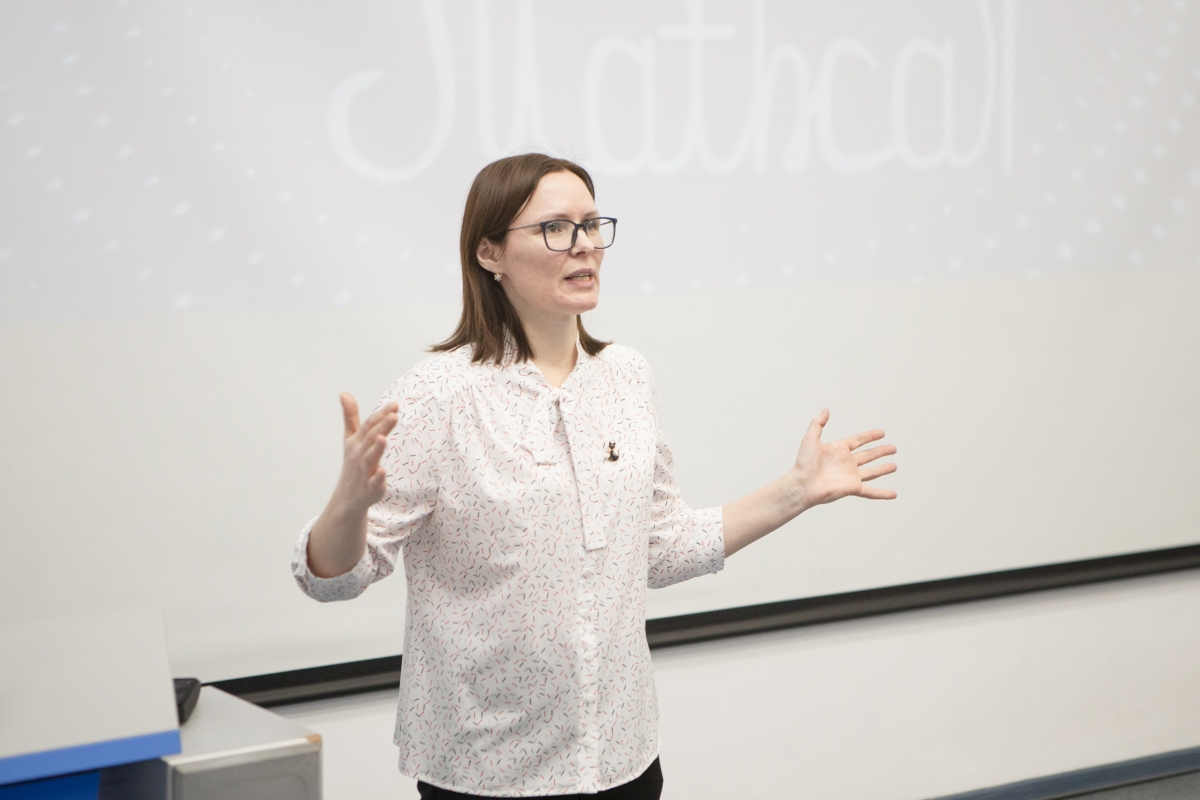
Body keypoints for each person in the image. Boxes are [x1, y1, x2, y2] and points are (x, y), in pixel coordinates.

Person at [292, 153, 897, 799]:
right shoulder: (439, 394)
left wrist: (796, 491)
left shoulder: (626, 377)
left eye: (590, 224)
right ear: (490, 253)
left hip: (621, 758)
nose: (583, 245)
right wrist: (348, 505)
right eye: (555, 228)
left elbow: (658, 548)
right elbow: (331, 579)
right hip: (487, 770)